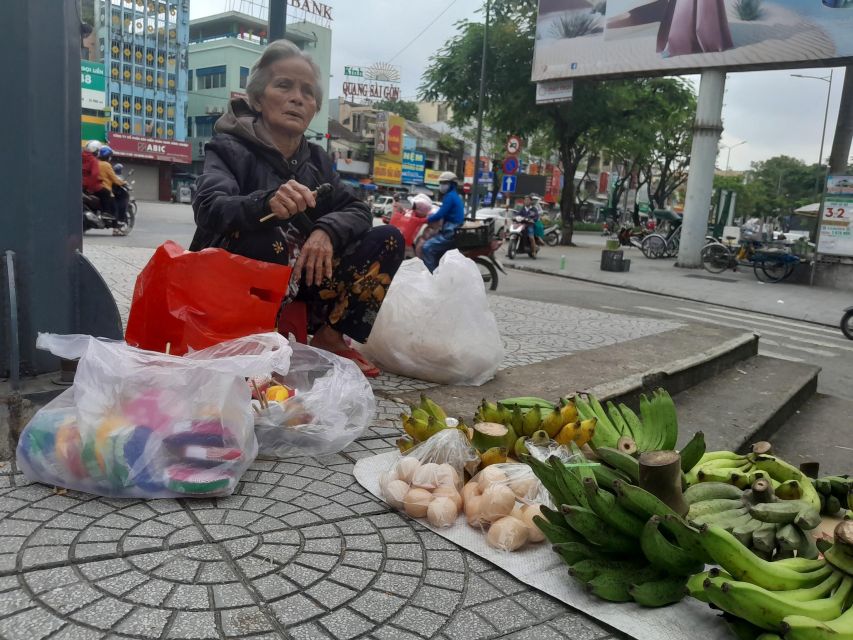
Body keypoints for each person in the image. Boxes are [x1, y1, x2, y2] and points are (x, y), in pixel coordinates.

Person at [190, 39, 403, 377]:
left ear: (315, 107)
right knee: (268, 237)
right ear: (258, 98)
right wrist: (266, 202)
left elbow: (357, 209)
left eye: (307, 92)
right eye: (284, 85)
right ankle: (255, 342)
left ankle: (330, 338)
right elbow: (210, 207)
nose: (297, 98)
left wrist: (325, 230)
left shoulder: (316, 160)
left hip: (301, 277)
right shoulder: (228, 147)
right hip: (235, 281)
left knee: (389, 238)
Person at [421, 171, 464, 272]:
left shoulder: (449, 197)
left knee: (427, 247)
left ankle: (433, 277)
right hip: (452, 228)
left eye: (444, 183)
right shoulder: (453, 196)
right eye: (441, 183)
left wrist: (425, 220)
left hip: (450, 231)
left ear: (452, 184)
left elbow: (441, 214)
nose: (442, 185)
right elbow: (442, 211)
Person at [97, 146, 128, 235]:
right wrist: (123, 183)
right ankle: (116, 230)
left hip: (95, 188)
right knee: (115, 209)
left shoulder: (96, 163)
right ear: (108, 156)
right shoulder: (107, 165)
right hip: (105, 189)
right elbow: (114, 179)